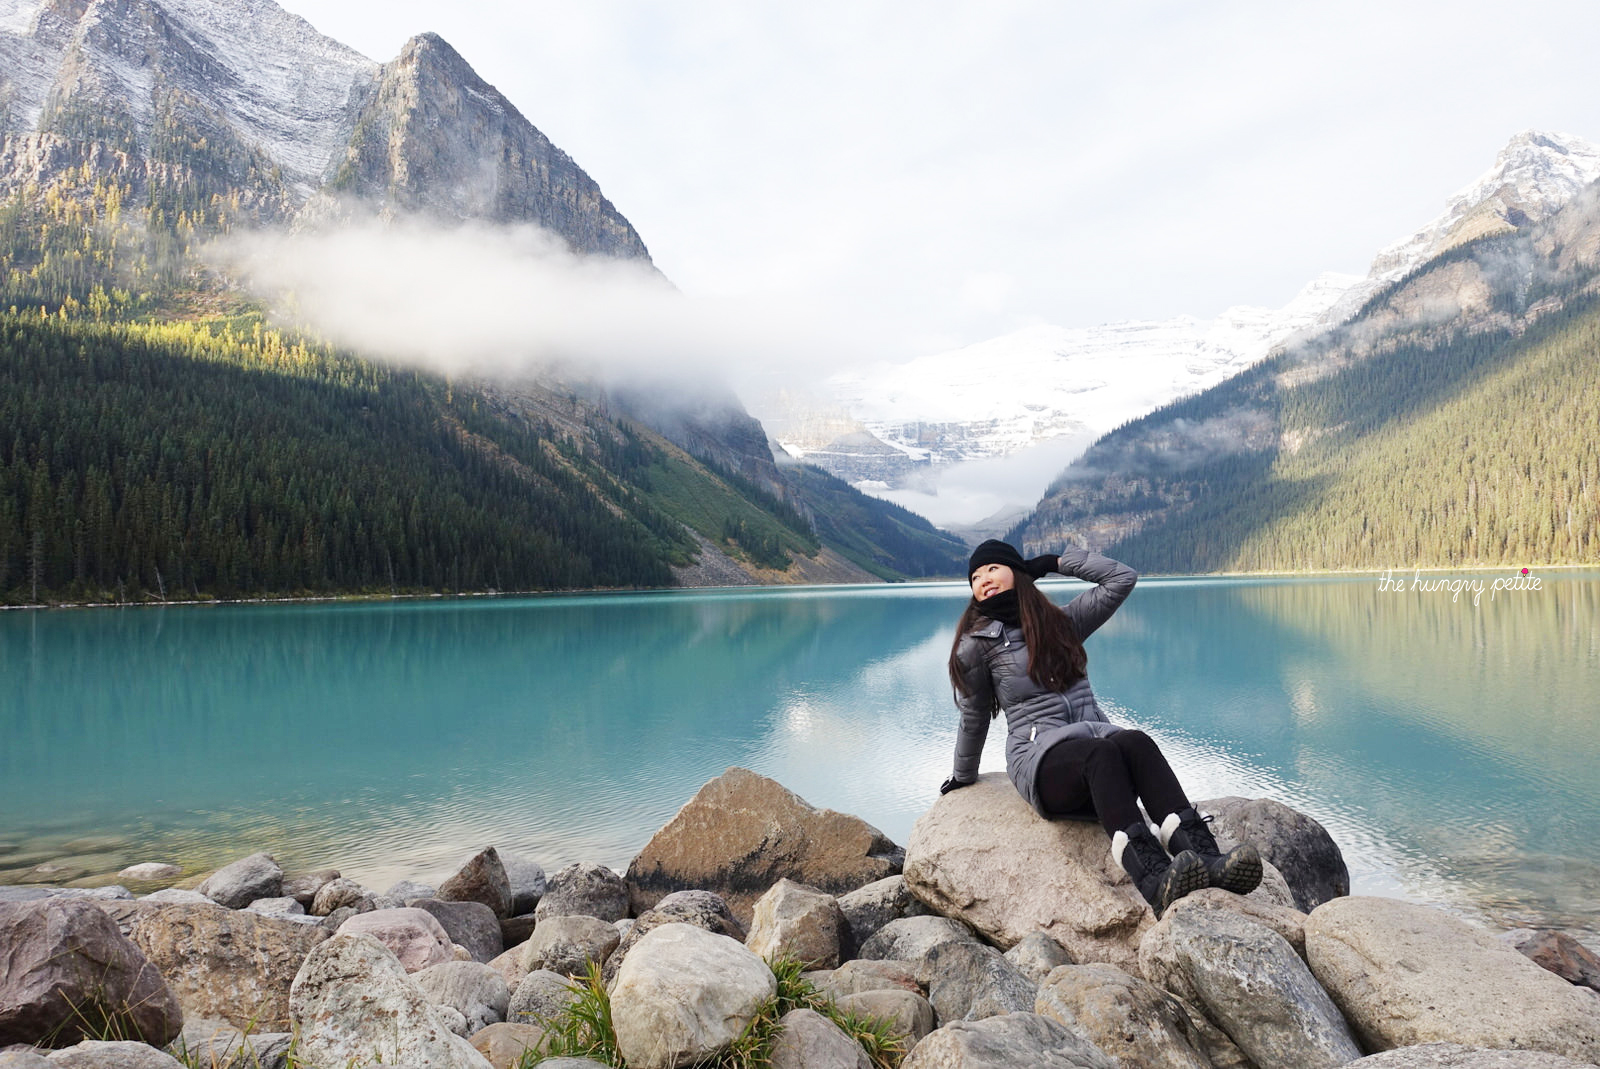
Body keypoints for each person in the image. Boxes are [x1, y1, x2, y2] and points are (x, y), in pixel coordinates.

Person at [942, 539, 1261, 916]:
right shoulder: (976, 646)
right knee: (1103, 752)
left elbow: (1121, 579)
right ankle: (1155, 881)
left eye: (993, 568)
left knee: (1136, 742)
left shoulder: (1063, 623)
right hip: (1040, 761)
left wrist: (1057, 561)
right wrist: (962, 776)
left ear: (1018, 571)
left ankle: (1205, 858)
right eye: (975, 577)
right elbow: (974, 715)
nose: (983, 580)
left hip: (1095, 746)